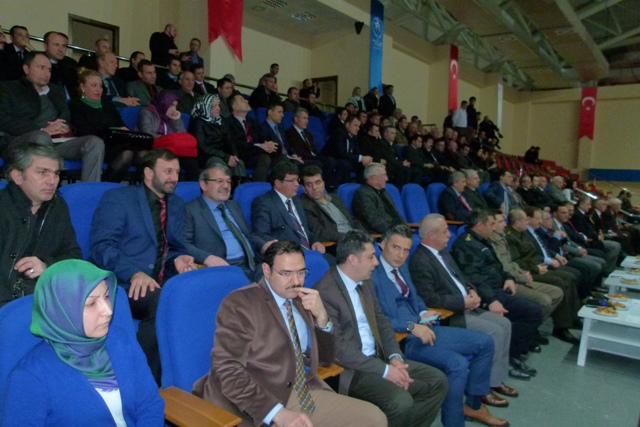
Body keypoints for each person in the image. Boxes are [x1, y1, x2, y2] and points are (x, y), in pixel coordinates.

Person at [193, 241, 387, 427]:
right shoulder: (241, 303)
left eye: (301, 272)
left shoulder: (301, 299)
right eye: (286, 273)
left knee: (374, 419)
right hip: (257, 399)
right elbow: (227, 368)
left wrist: (322, 319)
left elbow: (325, 360)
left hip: (300, 388)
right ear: (267, 270)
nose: (296, 281)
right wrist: (277, 413)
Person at [0, 259, 165, 426]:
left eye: (107, 296)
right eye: (92, 303)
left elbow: (149, 405)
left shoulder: (121, 340)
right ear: (62, 311)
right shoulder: (30, 377)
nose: (108, 311)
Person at [372, 225, 508, 427]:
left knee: (485, 343)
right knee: (457, 364)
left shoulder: (402, 267)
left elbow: (415, 297)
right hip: (402, 340)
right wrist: (412, 325)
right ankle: (454, 422)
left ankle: (473, 405)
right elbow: (378, 319)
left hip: (424, 328)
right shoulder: (372, 275)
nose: (400, 255)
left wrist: (423, 312)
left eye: (406, 250)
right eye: (395, 247)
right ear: (383, 244)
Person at [314, 230, 448, 427]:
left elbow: (381, 321)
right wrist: (385, 371)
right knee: (401, 401)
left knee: (438, 380)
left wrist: (395, 357)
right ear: (352, 259)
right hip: (351, 369)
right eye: (371, 257)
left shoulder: (365, 282)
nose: (376, 263)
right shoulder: (325, 292)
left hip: (379, 358)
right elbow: (339, 349)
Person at [89, 149, 197, 384]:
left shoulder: (176, 204)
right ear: (148, 173)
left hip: (159, 278)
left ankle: (185, 376)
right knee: (161, 300)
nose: (174, 178)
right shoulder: (119, 198)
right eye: (167, 171)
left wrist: (178, 258)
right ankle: (141, 378)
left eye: (177, 172)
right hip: (123, 281)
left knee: (193, 293)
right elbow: (101, 247)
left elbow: (172, 246)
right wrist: (133, 272)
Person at [408, 214, 526, 397]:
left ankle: (495, 381)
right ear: (431, 235)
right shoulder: (420, 261)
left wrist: (472, 291)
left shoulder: (443, 253)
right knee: (495, 331)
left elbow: (462, 278)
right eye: (445, 232)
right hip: (452, 315)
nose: (449, 235)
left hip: (468, 306)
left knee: (505, 323)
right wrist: (462, 301)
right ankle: (481, 390)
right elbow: (429, 298)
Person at [451, 210, 543, 375]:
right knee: (532, 311)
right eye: (491, 224)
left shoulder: (482, 241)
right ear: (480, 225)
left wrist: (509, 277)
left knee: (532, 309)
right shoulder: (466, 244)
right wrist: (492, 299)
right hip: (488, 293)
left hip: (499, 287)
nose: (494, 228)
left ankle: (511, 354)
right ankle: (510, 356)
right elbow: (474, 278)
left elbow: (497, 266)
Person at [0, 52, 104, 182]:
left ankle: (90, 189)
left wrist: (65, 126)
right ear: (26, 69)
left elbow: (66, 116)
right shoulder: (9, 88)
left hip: (56, 141)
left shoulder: (55, 90)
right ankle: (40, 186)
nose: (46, 73)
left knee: (94, 143)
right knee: (41, 137)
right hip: (21, 141)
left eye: (49, 69)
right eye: (41, 68)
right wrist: (42, 130)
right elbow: (3, 120)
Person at [0, 144, 82, 307]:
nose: (52, 181)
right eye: (42, 172)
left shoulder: (58, 207)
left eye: (56, 173)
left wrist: (46, 265)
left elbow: (73, 256)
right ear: (18, 176)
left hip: (40, 296)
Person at [504, 208, 581, 344]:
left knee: (568, 277)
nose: (528, 222)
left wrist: (540, 265)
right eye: (525, 220)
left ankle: (572, 317)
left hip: (536, 267)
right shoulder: (510, 237)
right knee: (559, 282)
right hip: (528, 272)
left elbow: (533, 254)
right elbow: (516, 262)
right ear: (517, 223)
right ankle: (561, 327)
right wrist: (536, 268)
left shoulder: (522, 233)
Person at [184, 164, 272, 279]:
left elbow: (248, 235)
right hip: (225, 267)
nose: (226, 186)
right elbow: (184, 244)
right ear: (204, 185)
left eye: (229, 181)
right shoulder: (190, 210)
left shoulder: (233, 205)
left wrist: (263, 245)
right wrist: (207, 258)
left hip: (253, 262)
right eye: (219, 181)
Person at [489, 212, 564, 346]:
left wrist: (523, 272)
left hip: (519, 274)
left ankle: (530, 330)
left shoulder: (502, 237)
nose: (504, 224)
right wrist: (524, 275)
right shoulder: (493, 241)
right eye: (500, 222)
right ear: (491, 225)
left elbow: (512, 262)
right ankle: (525, 334)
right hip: (509, 281)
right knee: (544, 300)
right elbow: (504, 267)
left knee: (557, 292)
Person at [69, 68, 148, 182]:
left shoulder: (108, 105)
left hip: (117, 143)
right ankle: (106, 185)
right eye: (94, 85)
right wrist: (113, 130)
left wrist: (122, 130)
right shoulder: (75, 105)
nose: (98, 89)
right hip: (97, 146)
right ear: (82, 86)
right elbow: (84, 132)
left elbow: (121, 125)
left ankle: (145, 188)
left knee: (144, 154)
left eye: (100, 86)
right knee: (127, 154)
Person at [251, 161, 327, 255]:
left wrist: (315, 241)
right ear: (278, 183)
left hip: (310, 252)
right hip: (288, 255)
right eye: (292, 180)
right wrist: (285, 248)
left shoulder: (295, 200)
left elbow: (304, 230)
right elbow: (261, 235)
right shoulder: (264, 202)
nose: (297, 184)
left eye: (297, 180)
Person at [137, 89, 199, 181]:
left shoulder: (173, 117)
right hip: (151, 148)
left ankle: (192, 188)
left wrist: (176, 120)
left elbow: (182, 138)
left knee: (191, 162)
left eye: (176, 106)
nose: (174, 109)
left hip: (170, 151)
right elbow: (147, 134)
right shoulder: (148, 111)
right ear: (164, 102)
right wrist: (166, 140)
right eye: (171, 105)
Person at [300, 165, 366, 243]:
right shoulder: (305, 205)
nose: (314, 187)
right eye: (309, 185)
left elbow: (352, 220)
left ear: (323, 184)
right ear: (304, 189)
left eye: (318, 182)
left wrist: (365, 235)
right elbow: (321, 232)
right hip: (340, 242)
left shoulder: (335, 198)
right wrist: (349, 238)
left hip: (356, 238)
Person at [190, 93, 245, 179]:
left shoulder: (222, 121)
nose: (218, 108)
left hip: (223, 155)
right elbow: (203, 147)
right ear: (206, 106)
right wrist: (226, 157)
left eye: (218, 105)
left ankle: (239, 187)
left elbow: (230, 141)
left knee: (239, 163)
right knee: (220, 165)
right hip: (206, 156)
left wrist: (234, 156)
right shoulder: (198, 122)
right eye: (214, 106)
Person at [285, 107, 342, 189]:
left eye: (307, 118)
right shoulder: (290, 133)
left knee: (331, 160)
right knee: (320, 163)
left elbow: (314, 150)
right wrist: (316, 158)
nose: (307, 121)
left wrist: (319, 156)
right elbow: (299, 152)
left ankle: (327, 186)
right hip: (303, 159)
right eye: (304, 118)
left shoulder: (308, 134)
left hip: (314, 157)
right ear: (296, 119)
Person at [352, 163, 406, 234]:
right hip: (379, 234)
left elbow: (395, 214)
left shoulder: (384, 193)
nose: (386, 179)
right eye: (383, 175)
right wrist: (395, 233)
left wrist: (405, 229)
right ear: (372, 179)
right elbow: (374, 221)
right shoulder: (362, 194)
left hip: (394, 231)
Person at [322, 115, 373, 181]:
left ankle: (360, 184)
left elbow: (357, 152)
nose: (358, 128)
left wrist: (364, 159)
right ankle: (336, 185)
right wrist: (360, 158)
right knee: (345, 163)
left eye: (359, 126)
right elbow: (341, 153)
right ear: (347, 125)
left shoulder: (354, 137)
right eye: (355, 125)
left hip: (345, 159)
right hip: (333, 158)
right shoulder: (339, 133)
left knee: (363, 165)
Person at [42, 31, 78, 99]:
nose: (60, 49)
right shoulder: (38, 62)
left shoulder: (71, 63)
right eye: (56, 45)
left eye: (64, 46)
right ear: (45, 46)